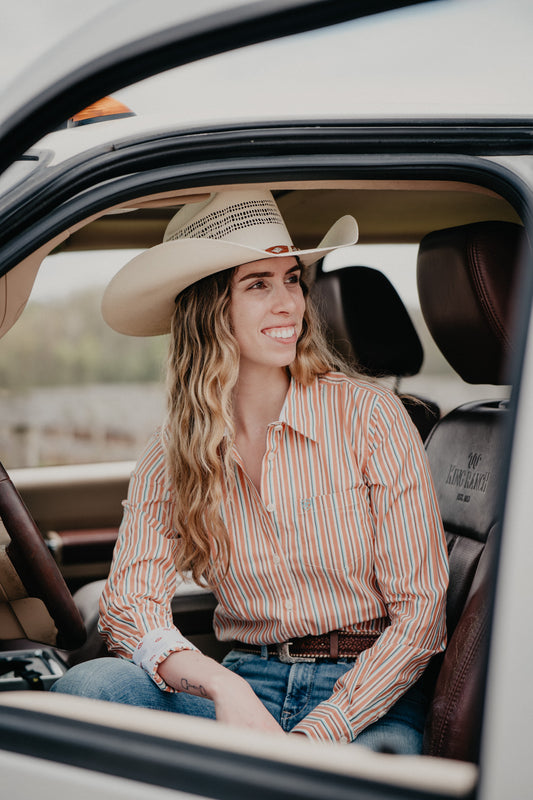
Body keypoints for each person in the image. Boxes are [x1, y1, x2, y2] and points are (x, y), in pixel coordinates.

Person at [52, 189, 448, 752]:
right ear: (209, 309)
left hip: (368, 691)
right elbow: (127, 605)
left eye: (291, 279)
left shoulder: (369, 416)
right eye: (258, 284)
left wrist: (317, 734)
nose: (288, 303)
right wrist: (218, 683)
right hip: (245, 682)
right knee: (88, 688)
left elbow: (421, 618)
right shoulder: (173, 450)